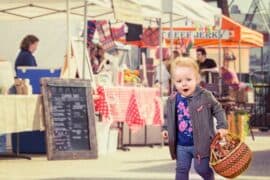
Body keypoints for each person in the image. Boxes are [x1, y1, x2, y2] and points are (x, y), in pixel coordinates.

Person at [162, 57, 228, 180]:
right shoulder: (172, 100)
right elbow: (168, 117)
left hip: (201, 143)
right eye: (179, 81)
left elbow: (218, 109)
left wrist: (222, 126)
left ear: (197, 79)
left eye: (188, 79)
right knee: (181, 170)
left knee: (201, 168)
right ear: (174, 82)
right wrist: (165, 128)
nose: (184, 83)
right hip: (181, 145)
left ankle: (209, 177)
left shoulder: (205, 95)